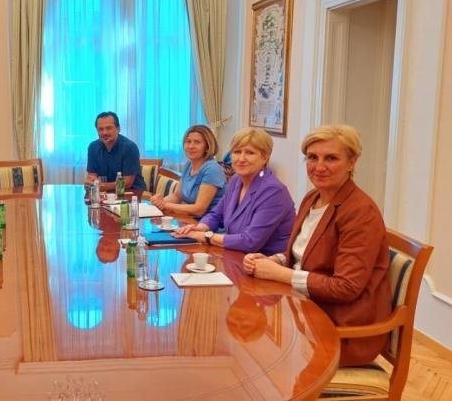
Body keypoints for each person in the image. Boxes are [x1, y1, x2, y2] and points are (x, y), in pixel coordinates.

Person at [243, 124, 390, 366]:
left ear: (352, 162)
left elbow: (346, 287)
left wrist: (280, 274)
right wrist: (274, 260)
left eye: (331, 158)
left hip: (339, 329)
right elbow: (305, 254)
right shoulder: (313, 197)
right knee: (249, 336)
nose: (319, 167)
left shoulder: (360, 212)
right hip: (304, 308)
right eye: (312, 157)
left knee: (260, 354)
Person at [172, 127, 294, 254]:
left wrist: (207, 236)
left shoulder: (273, 191)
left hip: (265, 261)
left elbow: (250, 241)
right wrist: (200, 228)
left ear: (265, 158)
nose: (241, 159)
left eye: (250, 153)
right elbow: (216, 215)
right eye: (237, 152)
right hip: (235, 254)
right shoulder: (236, 180)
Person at [149, 125, 226, 217]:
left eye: (197, 142)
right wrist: (159, 202)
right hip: (190, 218)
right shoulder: (188, 164)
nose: (191, 146)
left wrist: (165, 204)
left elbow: (199, 209)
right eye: (188, 141)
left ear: (207, 147)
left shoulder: (212, 169)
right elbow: (177, 196)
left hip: (209, 222)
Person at [85, 112, 146, 192]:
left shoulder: (129, 147)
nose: (104, 133)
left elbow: (127, 183)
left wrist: (101, 186)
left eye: (108, 128)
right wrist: (90, 183)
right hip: (104, 194)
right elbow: (92, 178)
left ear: (118, 129)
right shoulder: (93, 147)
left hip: (131, 193)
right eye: (101, 129)